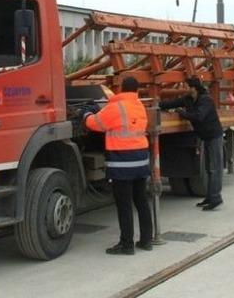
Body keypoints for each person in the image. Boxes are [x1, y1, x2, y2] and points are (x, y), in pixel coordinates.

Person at [84, 76, 153, 255]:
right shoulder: (140, 106)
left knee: (124, 205)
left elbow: (95, 124)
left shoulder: (116, 107)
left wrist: (86, 113)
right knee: (142, 201)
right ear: (136, 90)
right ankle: (146, 240)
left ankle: (126, 244)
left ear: (121, 88)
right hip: (141, 160)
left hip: (122, 163)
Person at [159, 77, 224, 211]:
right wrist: (156, 105)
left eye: (186, 86)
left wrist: (183, 113)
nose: (184, 88)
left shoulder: (205, 99)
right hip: (205, 137)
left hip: (213, 136)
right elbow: (172, 103)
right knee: (208, 168)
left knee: (214, 168)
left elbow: (199, 116)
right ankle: (210, 197)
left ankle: (216, 197)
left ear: (193, 88)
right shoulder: (188, 99)